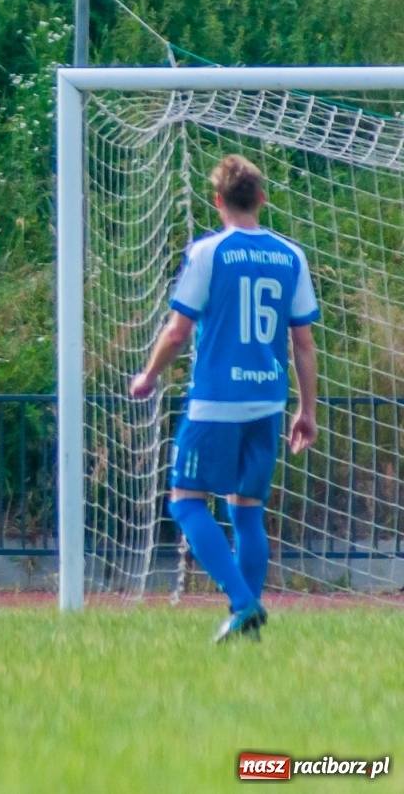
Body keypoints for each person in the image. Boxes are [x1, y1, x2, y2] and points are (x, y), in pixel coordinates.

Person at [129, 155, 320, 643]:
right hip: (268, 400)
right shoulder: (290, 255)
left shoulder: (207, 253)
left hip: (216, 401)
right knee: (248, 510)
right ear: (261, 198)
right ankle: (247, 628)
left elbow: (177, 330)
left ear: (217, 202)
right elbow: (303, 342)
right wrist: (307, 410)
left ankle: (243, 604)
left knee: (186, 502)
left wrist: (149, 373)